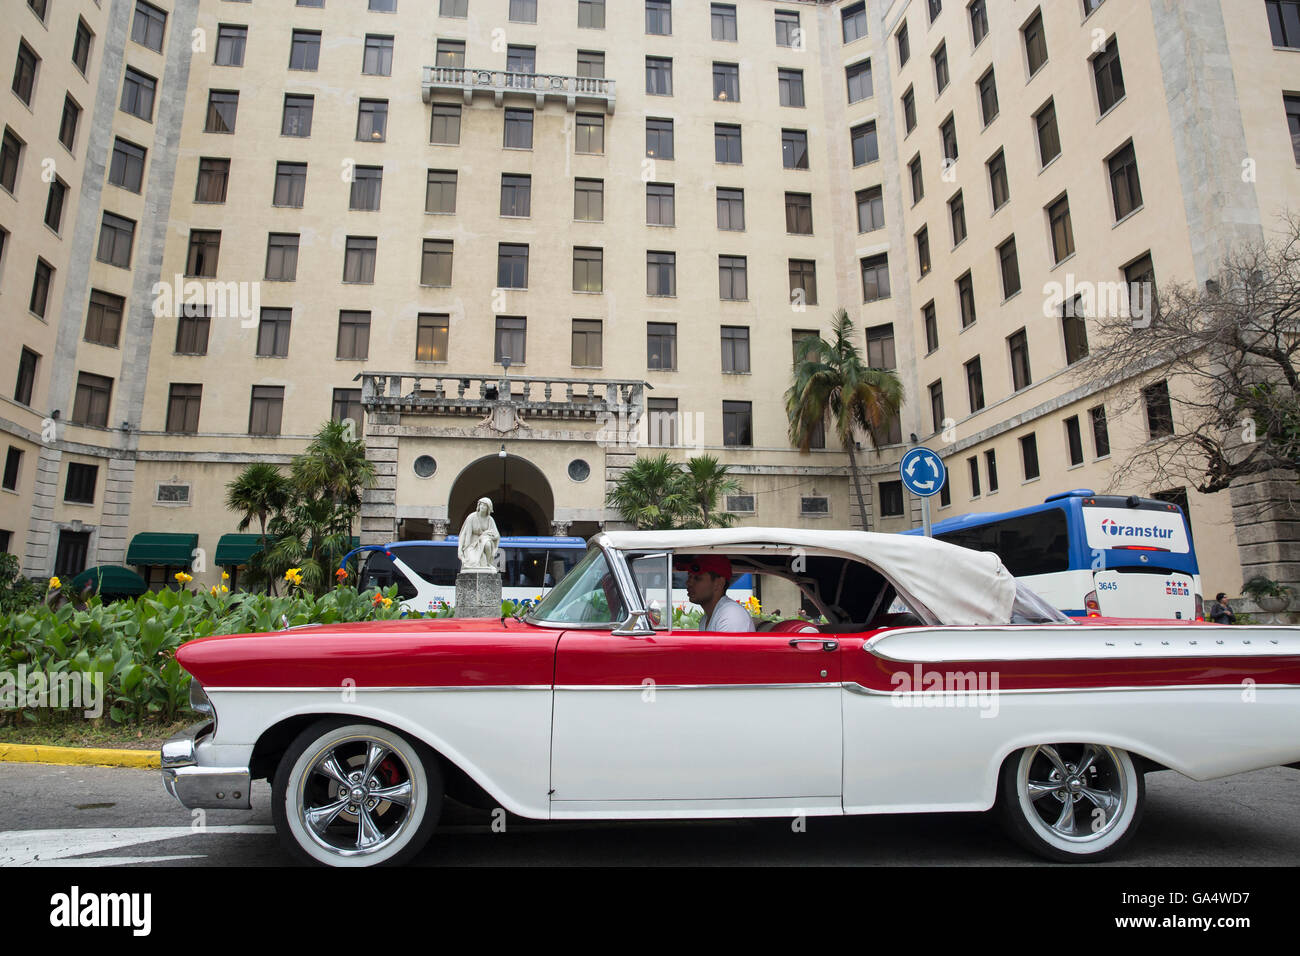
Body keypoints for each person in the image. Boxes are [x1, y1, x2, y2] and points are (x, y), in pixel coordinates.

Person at [675, 555, 753, 632]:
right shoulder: (705, 619)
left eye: (697, 578)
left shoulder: (731, 615)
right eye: (689, 577)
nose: (688, 583)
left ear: (719, 583)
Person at [457, 497, 500, 570]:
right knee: (473, 562)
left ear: (488, 508)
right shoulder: (472, 517)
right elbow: (464, 534)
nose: (482, 507)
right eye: (481, 505)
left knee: (487, 543)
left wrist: (488, 536)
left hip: (484, 540)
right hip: (471, 544)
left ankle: (488, 563)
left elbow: (496, 535)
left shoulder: (490, 519)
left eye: (485, 505)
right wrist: (460, 549)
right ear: (479, 506)